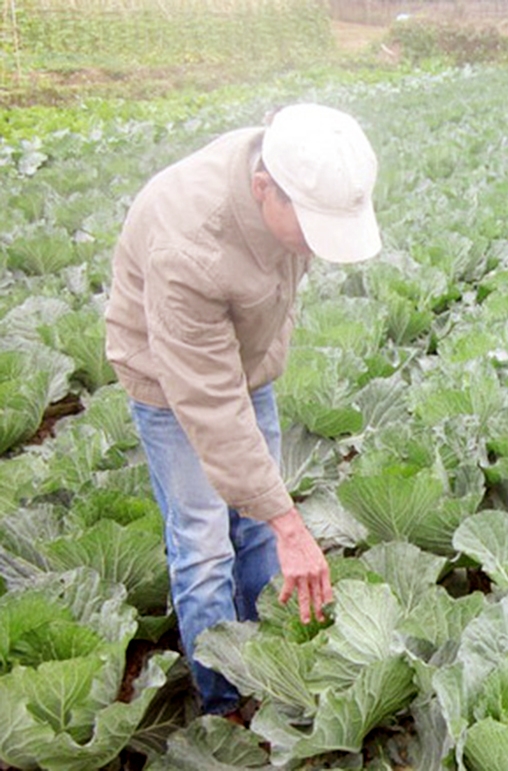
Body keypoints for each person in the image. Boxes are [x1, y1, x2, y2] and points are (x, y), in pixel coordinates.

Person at [104, 104, 382, 716]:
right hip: (170, 377)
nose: (313, 247)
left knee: (256, 525)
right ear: (264, 192)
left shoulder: (289, 162)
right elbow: (209, 402)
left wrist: (274, 517)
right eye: (309, 228)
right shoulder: (189, 247)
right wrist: (292, 523)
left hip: (240, 362)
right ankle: (225, 704)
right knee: (204, 543)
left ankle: (270, 658)